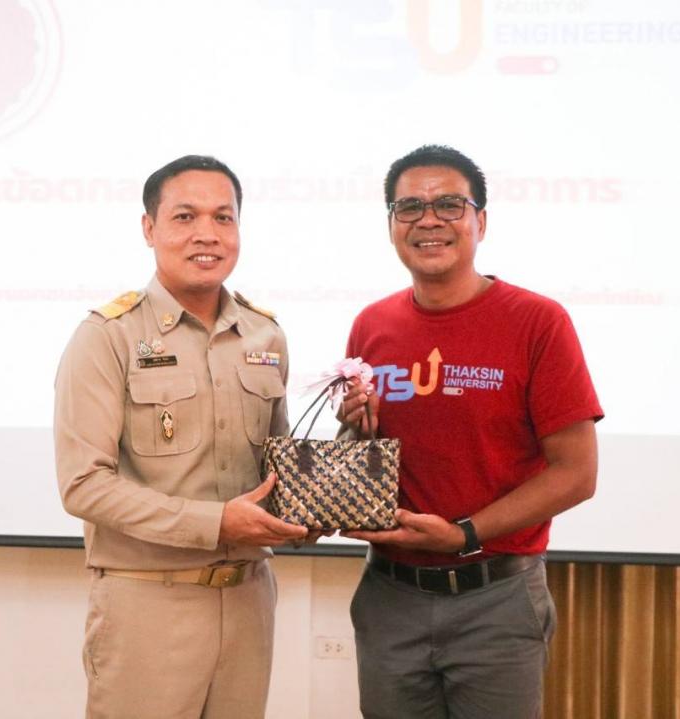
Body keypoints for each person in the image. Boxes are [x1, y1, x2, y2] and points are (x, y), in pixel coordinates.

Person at [338, 144, 603, 719]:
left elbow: (577, 474)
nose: (428, 220)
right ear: (391, 225)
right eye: (409, 207)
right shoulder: (371, 324)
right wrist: (356, 428)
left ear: (480, 221)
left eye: (449, 205)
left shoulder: (538, 321)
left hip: (497, 600)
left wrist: (463, 534)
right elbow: (365, 457)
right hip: (389, 597)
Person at [53, 155, 307, 719]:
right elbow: (83, 485)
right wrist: (216, 523)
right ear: (150, 228)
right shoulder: (109, 336)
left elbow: (278, 470)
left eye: (223, 217)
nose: (207, 234)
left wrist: (341, 457)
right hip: (148, 602)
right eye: (185, 217)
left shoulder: (264, 334)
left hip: (248, 599)